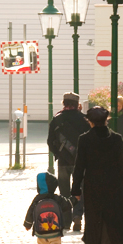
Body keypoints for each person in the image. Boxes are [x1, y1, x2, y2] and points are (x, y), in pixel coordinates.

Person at [71, 106, 123, 244]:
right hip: (114, 186)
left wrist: (76, 189)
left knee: (94, 221)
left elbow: (79, 166)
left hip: (93, 186)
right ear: (107, 120)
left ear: (90, 121)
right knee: (110, 220)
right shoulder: (117, 139)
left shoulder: (84, 139)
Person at [47, 92, 88, 232]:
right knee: (79, 190)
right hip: (80, 161)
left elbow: (50, 141)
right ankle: (78, 216)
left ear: (64, 103)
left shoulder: (57, 119)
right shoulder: (84, 119)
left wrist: (58, 153)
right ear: (77, 104)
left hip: (63, 161)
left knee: (64, 191)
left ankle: (66, 221)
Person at [23, 172, 72, 244]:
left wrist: (28, 224)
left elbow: (31, 211)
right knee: (55, 243)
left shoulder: (37, 199)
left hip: (40, 230)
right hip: (55, 229)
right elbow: (67, 205)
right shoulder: (56, 198)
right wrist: (75, 199)